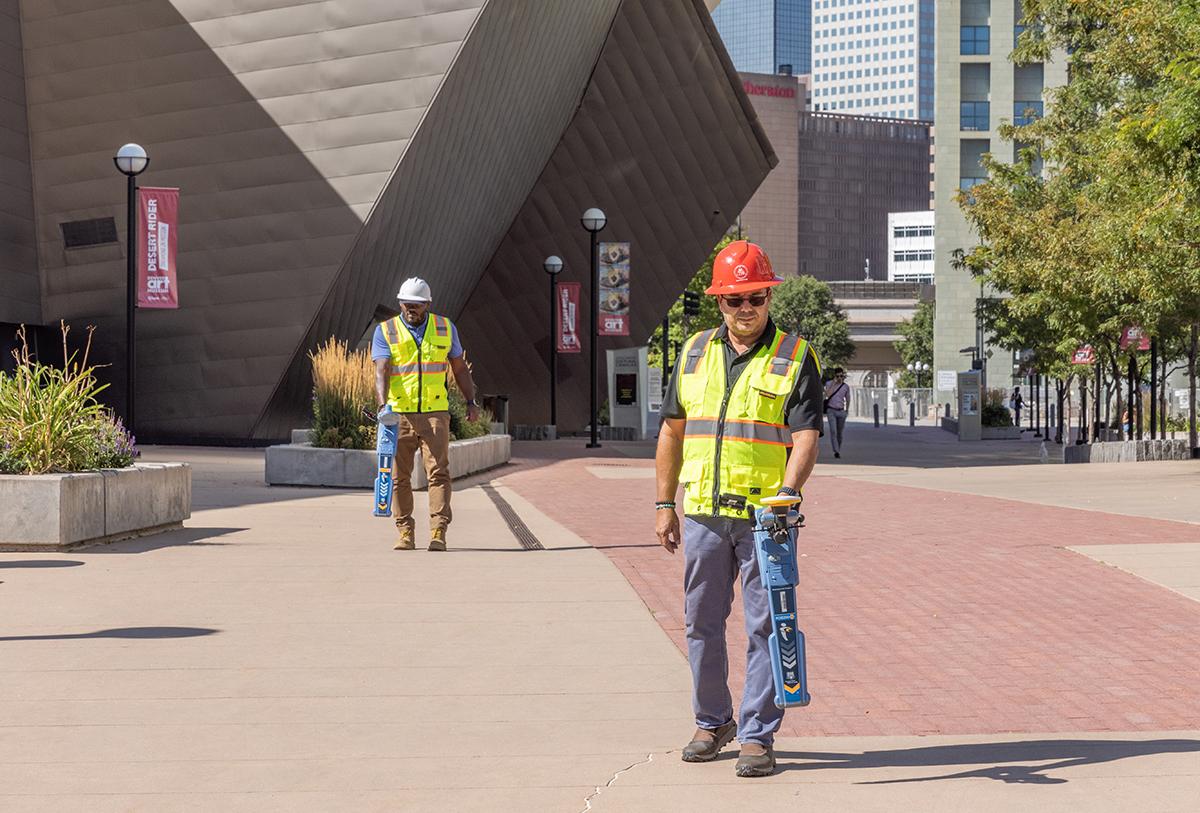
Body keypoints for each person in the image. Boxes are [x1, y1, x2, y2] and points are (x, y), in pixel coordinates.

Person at [654, 240, 823, 778]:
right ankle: (712, 722)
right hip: (703, 510)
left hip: (765, 521)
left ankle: (756, 734)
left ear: (768, 296)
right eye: (734, 299)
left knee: (767, 626)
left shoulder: (795, 356)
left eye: (755, 297)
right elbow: (671, 432)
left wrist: (786, 495)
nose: (745, 308)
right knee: (700, 623)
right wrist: (664, 502)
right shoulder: (693, 353)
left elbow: (806, 436)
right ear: (719, 303)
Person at [372, 277, 478, 552]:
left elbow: (459, 368)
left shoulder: (445, 327)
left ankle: (438, 531)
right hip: (398, 415)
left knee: (439, 473)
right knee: (398, 477)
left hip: (435, 414)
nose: (411, 309)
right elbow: (380, 370)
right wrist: (383, 406)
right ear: (400, 303)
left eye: (417, 305)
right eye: (406, 304)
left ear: (428, 304)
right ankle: (405, 532)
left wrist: (471, 401)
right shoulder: (386, 330)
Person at [823, 368, 850, 458]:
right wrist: (834, 384)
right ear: (835, 376)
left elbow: (848, 398)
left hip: (841, 411)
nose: (839, 378)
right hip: (831, 411)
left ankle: (838, 447)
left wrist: (847, 410)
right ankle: (836, 451)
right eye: (837, 376)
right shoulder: (829, 384)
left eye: (841, 376)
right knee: (833, 431)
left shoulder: (845, 386)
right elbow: (827, 395)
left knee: (839, 433)